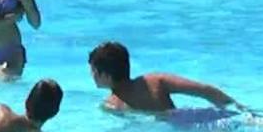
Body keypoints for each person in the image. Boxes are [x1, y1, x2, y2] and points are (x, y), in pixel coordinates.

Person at [88, 41, 245, 113]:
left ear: (106, 76)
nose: (92, 75)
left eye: (94, 71)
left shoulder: (111, 106)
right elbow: (204, 90)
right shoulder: (154, 81)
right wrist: (243, 110)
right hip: (195, 120)